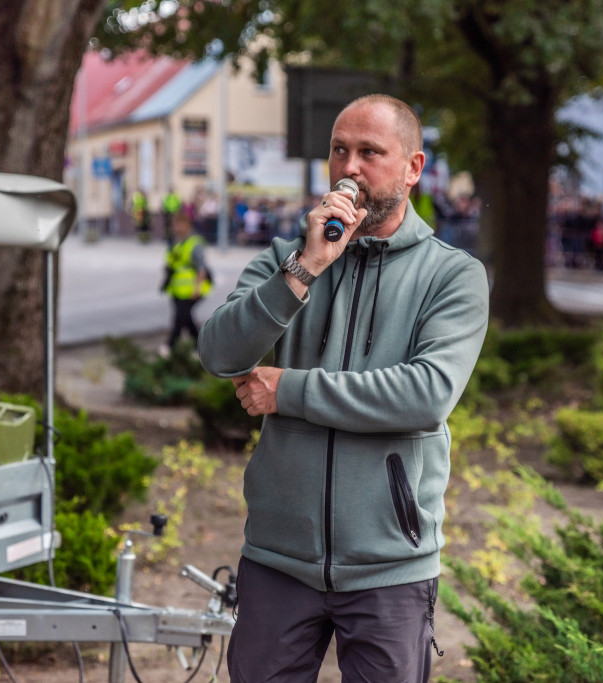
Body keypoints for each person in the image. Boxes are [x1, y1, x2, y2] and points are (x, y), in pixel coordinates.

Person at [197, 94, 489, 682]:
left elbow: (425, 394)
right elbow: (219, 353)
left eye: (369, 152)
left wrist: (289, 390)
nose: (349, 167)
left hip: (390, 567)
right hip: (278, 559)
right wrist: (304, 270)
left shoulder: (452, 275)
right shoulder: (287, 258)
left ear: (413, 168)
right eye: (339, 150)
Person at [163, 213, 211, 351]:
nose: (177, 228)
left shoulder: (194, 244)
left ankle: (170, 345)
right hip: (177, 289)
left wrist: (197, 288)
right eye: (175, 225)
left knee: (180, 317)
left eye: (180, 224)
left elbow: (202, 268)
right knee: (185, 318)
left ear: (187, 226)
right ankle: (199, 347)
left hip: (192, 289)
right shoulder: (174, 243)